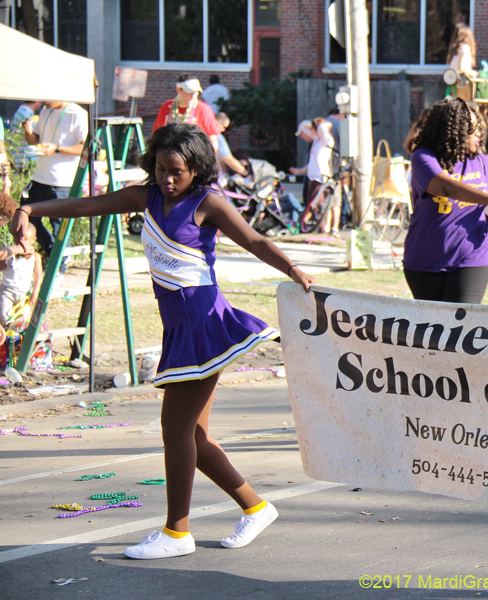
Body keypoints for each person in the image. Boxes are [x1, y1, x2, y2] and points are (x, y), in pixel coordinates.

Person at [10, 123, 315, 560]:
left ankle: (177, 533)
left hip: (205, 326)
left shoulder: (207, 202)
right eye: (160, 168)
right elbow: (87, 205)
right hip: (177, 328)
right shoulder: (145, 196)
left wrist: (293, 270)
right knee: (193, 435)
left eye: (177, 171)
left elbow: (254, 239)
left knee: (175, 430)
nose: (168, 179)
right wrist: (31, 208)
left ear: (196, 169)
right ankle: (255, 506)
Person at [403, 97, 488, 304]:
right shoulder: (423, 158)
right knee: (433, 329)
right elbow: (446, 187)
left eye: (479, 127)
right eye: (472, 128)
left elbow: (479, 214)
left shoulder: (482, 162)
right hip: (425, 259)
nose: (479, 133)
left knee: (461, 325)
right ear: (453, 130)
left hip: (472, 255)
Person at [21, 100, 89, 279]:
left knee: (59, 228)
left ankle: (59, 269)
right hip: (39, 177)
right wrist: (28, 132)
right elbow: (35, 139)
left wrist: (57, 148)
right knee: (28, 220)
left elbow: (85, 147)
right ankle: (59, 256)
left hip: (62, 181)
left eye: (47, 96)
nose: (43, 100)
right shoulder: (45, 110)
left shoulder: (77, 113)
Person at [290, 118, 338, 236]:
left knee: (317, 203)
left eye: (313, 128)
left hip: (320, 175)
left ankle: (321, 229)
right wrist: (299, 171)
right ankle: (309, 227)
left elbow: (321, 129)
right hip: (312, 176)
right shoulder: (317, 141)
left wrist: (322, 124)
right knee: (311, 203)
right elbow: (312, 162)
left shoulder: (326, 140)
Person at [153, 75, 218, 155]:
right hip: (169, 155)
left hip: (194, 155)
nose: (193, 96)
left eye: (196, 92)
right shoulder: (167, 107)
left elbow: (212, 138)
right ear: (178, 90)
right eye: (189, 92)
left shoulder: (204, 109)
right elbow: (156, 134)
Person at [0, 223, 41, 328]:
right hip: (6, 290)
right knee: (4, 316)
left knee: (22, 320)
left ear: (33, 240)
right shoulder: (10, 254)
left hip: (24, 293)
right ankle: (5, 339)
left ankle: (18, 340)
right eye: (19, 239)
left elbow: (38, 276)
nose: (22, 243)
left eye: (26, 240)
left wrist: (35, 293)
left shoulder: (35, 257)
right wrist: (9, 253)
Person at [214, 113, 249, 177]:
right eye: (224, 127)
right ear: (218, 123)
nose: (223, 130)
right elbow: (229, 160)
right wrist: (246, 173)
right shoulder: (217, 137)